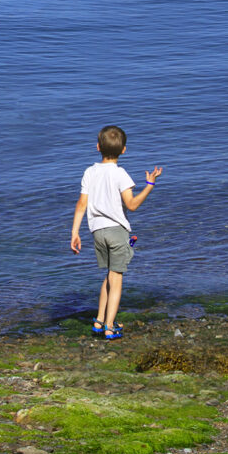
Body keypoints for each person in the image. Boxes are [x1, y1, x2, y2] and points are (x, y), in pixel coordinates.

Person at [70, 125, 162, 341]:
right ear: (124, 150)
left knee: (109, 274)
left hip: (97, 232)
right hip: (117, 231)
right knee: (117, 278)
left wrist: (75, 233)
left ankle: (99, 320)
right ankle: (110, 327)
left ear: (98, 147)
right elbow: (131, 205)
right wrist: (149, 185)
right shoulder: (120, 174)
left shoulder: (89, 172)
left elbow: (82, 204)